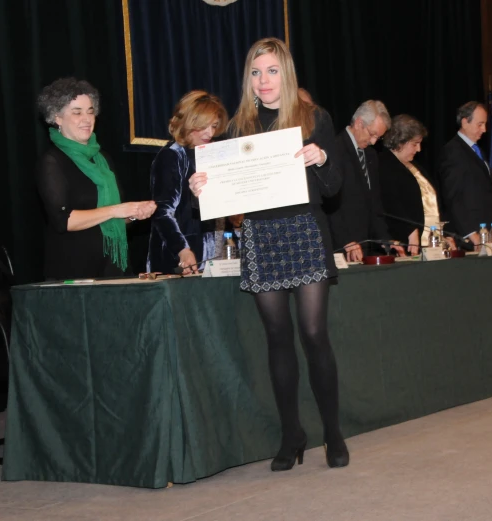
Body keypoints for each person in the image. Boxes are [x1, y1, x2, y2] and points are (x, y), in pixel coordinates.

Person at [188, 37, 349, 470]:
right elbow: (220, 199)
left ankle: (333, 432)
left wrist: (320, 159)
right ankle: (291, 433)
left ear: (287, 73)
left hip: (305, 231)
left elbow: (334, 188)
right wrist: (201, 189)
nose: (263, 81)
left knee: (314, 335)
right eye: (256, 72)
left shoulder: (315, 119)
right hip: (261, 236)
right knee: (277, 339)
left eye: (272, 71)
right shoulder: (239, 126)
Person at [36, 78, 156, 280]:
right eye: (77, 112)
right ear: (57, 117)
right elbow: (63, 220)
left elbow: (114, 218)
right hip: (74, 270)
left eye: (90, 111)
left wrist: (135, 213)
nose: (87, 118)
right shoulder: (52, 161)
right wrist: (117, 210)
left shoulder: (102, 159)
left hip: (114, 267)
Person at [147, 90, 229, 274]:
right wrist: (182, 250)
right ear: (187, 123)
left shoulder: (213, 153)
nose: (210, 132)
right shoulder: (172, 156)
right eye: (203, 126)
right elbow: (162, 212)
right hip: (180, 255)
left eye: (214, 126)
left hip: (212, 253)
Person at [324, 100, 404, 261]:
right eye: (372, 134)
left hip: (364, 246)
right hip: (341, 246)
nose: (374, 141)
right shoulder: (334, 149)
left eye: (378, 137)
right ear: (359, 123)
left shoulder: (370, 155)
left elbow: (374, 204)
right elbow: (330, 204)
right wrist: (346, 241)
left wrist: (385, 239)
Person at [378, 114, 446, 254]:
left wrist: (445, 235)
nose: (419, 149)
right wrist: (410, 230)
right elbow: (391, 204)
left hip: (429, 242)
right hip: (405, 243)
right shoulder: (384, 165)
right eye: (415, 144)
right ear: (400, 142)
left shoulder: (415, 166)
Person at [437, 101, 492, 248]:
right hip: (469, 237)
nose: (484, 129)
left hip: (485, 232)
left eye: (485, 124)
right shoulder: (453, 152)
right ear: (464, 122)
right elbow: (453, 197)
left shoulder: (476, 150)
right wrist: (471, 233)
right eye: (480, 124)